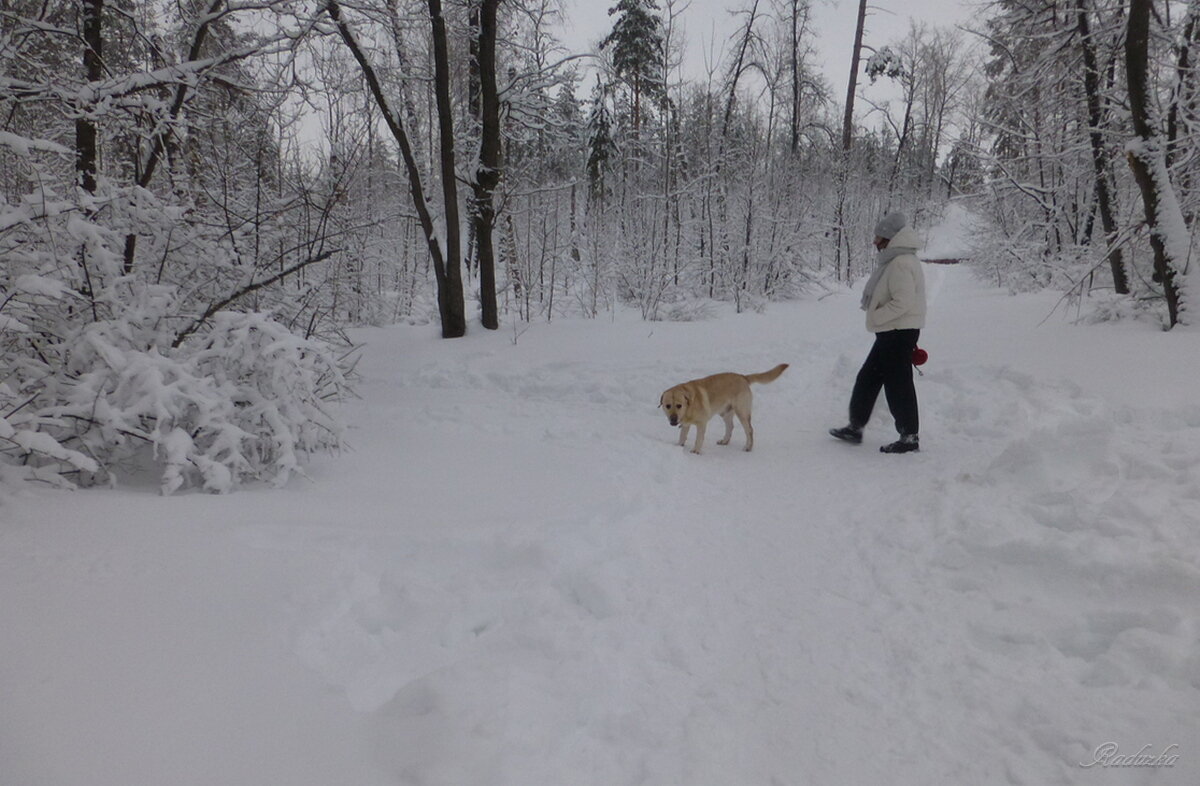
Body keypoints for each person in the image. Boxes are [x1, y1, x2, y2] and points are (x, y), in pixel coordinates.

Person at [829, 211, 927, 454]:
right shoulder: (896, 261)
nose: (874, 241)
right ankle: (855, 427)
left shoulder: (901, 263)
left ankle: (909, 437)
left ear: (891, 239)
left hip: (898, 332)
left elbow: (902, 302)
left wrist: (876, 316)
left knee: (898, 384)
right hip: (892, 332)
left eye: (879, 237)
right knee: (868, 377)